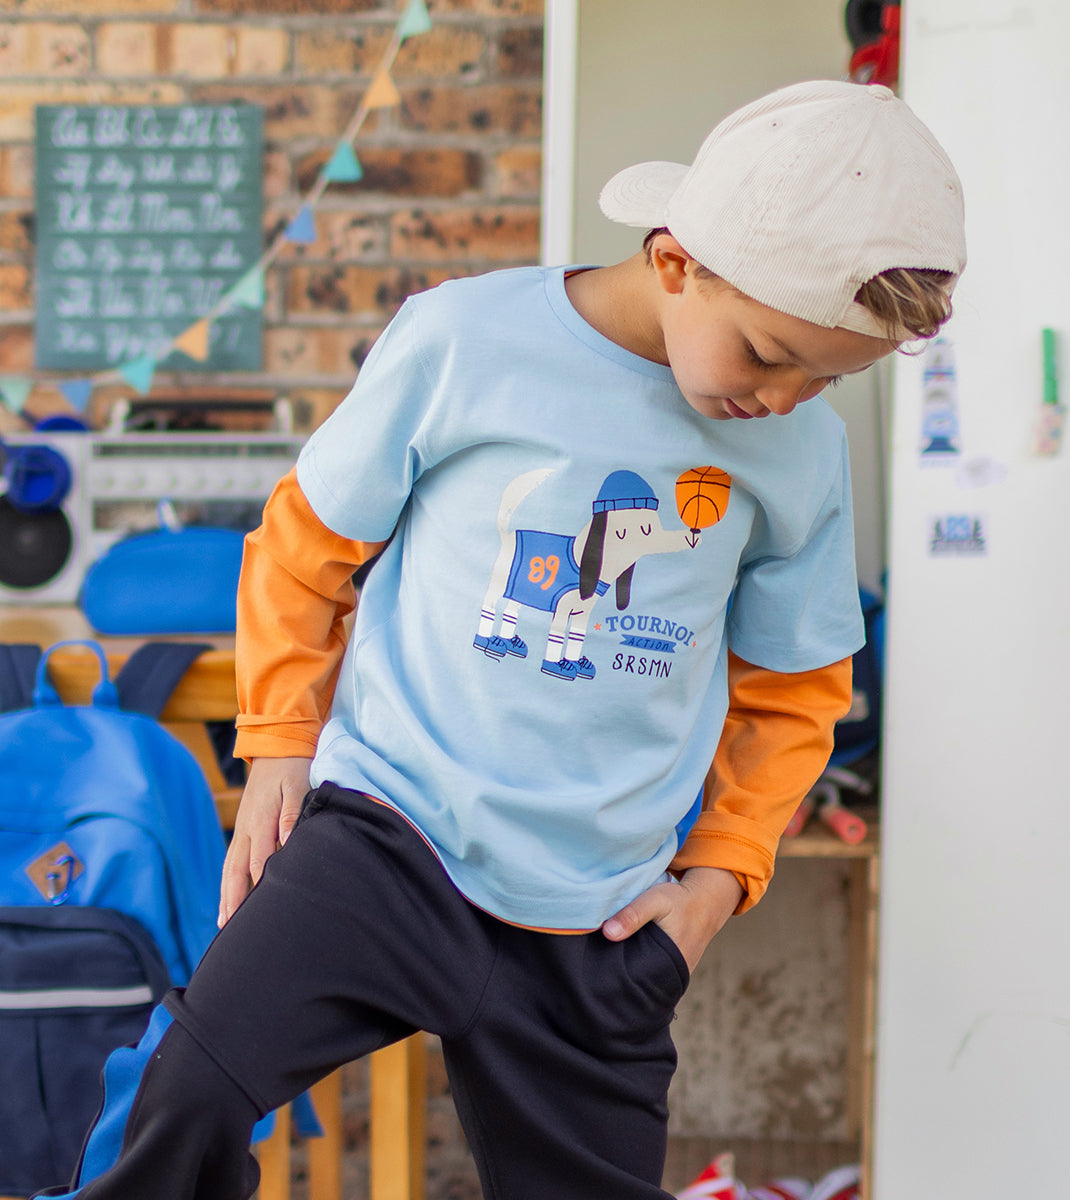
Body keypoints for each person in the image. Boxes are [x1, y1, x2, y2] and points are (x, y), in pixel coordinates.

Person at [40, 80, 965, 1200]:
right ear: (677, 261)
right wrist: (281, 735)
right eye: (771, 353)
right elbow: (305, 544)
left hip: (601, 920)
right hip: (389, 839)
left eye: (830, 376)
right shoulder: (463, 339)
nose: (789, 396)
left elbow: (798, 688)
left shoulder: (800, 453)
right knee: (180, 1099)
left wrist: (717, 883)